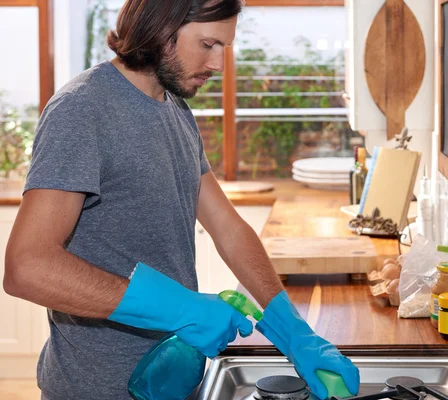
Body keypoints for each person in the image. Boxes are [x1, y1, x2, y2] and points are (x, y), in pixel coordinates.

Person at [2, 1, 360, 399]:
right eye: (208, 44)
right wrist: (182, 309)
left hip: (176, 381)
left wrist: (292, 329)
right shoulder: (81, 110)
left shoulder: (175, 111)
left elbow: (228, 228)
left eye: (225, 47)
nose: (219, 64)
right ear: (161, 28)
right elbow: (27, 267)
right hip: (101, 389)